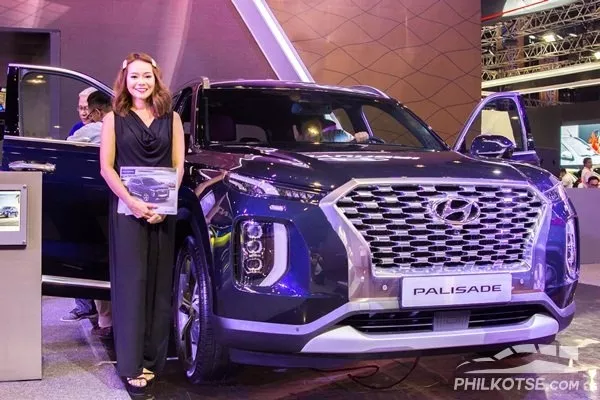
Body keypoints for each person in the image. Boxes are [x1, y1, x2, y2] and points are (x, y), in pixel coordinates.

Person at [100, 52, 184, 396]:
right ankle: (131, 363)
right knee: (132, 286)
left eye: (147, 76)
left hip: (163, 214)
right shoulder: (113, 118)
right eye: (134, 76)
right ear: (125, 80)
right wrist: (132, 202)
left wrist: (164, 204)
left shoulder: (172, 118)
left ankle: (152, 359)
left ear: (156, 79)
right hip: (128, 212)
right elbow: (107, 167)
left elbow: (179, 165)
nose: (141, 82)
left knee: (158, 286)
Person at [295, 116, 369, 143]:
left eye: (316, 121)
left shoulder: (337, 136)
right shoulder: (294, 148)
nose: (311, 129)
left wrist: (362, 137)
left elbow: (354, 141)